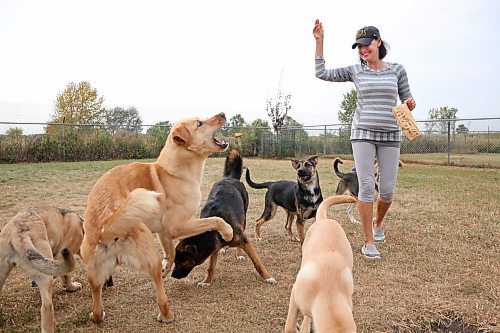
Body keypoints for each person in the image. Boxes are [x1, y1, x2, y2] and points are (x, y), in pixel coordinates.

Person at [313, 20, 416, 259]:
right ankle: (368, 240)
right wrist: (320, 42)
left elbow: (408, 98)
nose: (362, 50)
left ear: (378, 42)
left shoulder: (397, 70)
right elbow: (321, 73)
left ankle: (378, 223)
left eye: (365, 44)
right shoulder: (355, 70)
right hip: (363, 133)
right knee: (367, 185)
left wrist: (410, 104)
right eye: (359, 47)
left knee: (388, 190)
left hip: (390, 134)